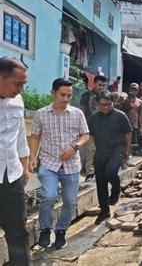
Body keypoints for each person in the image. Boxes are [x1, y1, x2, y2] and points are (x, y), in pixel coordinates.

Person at [29, 78, 90, 249]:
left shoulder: (77, 113)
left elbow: (85, 135)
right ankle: (45, 230)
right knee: (48, 196)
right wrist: (32, 157)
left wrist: (74, 146)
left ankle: (62, 230)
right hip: (48, 162)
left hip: (71, 165)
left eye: (69, 95)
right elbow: (35, 136)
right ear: (53, 94)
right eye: (62, 95)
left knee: (70, 201)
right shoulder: (41, 114)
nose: (66, 99)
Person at [0, 57, 30, 265]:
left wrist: (25, 167)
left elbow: (20, 137)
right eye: (17, 84)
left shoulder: (17, 101)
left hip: (12, 175)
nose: (21, 89)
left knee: (18, 231)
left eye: (23, 84)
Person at [88, 91, 132, 224]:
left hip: (117, 149)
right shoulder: (94, 118)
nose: (105, 107)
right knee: (100, 182)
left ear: (112, 103)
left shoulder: (120, 116)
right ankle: (104, 210)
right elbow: (91, 136)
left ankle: (116, 189)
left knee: (111, 172)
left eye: (108, 104)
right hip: (101, 151)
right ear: (98, 104)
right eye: (102, 105)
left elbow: (128, 134)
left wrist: (127, 152)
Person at [79, 75, 107, 180]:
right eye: (99, 85)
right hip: (89, 128)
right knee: (90, 151)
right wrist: (81, 126)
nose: (101, 87)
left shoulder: (104, 96)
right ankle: (89, 173)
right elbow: (81, 110)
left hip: (102, 128)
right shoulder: (87, 95)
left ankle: (95, 171)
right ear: (94, 84)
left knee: (98, 151)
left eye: (103, 85)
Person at [119, 83, 142, 154]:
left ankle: (128, 157)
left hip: (134, 125)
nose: (133, 91)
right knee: (122, 142)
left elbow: (141, 115)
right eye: (131, 89)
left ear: (138, 91)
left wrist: (141, 128)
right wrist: (124, 101)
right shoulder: (123, 99)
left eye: (135, 90)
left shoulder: (140, 102)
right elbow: (117, 108)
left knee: (133, 144)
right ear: (129, 90)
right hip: (122, 125)